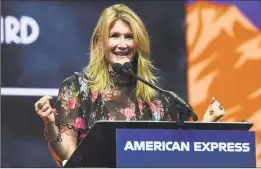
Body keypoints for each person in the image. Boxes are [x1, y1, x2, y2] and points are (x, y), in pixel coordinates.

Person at [34, 4, 225, 167]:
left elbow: (174, 155)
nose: (122, 44)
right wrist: (50, 124)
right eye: (115, 36)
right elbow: (67, 155)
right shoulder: (77, 89)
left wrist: (207, 125)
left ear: (138, 43)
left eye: (129, 37)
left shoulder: (158, 98)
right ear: (101, 41)